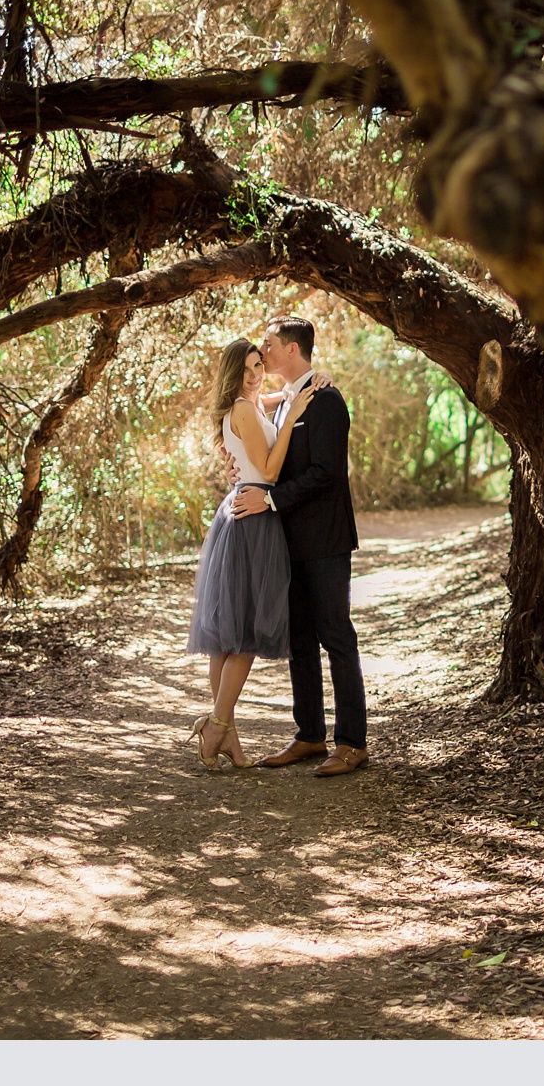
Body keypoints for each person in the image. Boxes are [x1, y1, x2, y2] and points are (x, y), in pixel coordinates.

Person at [229, 316, 370, 777]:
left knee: (336, 636)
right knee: (300, 641)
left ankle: (352, 743)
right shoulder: (279, 401)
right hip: (285, 540)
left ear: (292, 350)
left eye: (269, 345)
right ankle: (309, 734)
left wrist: (269, 497)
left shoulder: (327, 400)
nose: (263, 352)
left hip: (325, 540)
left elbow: (326, 472)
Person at [185, 338, 314, 769]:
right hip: (252, 516)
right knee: (244, 633)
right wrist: (293, 413)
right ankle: (216, 726)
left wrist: (294, 392)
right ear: (232, 376)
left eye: (259, 364)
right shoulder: (243, 408)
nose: (256, 375)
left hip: (242, 508)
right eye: (246, 370)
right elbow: (271, 469)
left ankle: (227, 737)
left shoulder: (250, 404)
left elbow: (273, 397)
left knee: (228, 635)